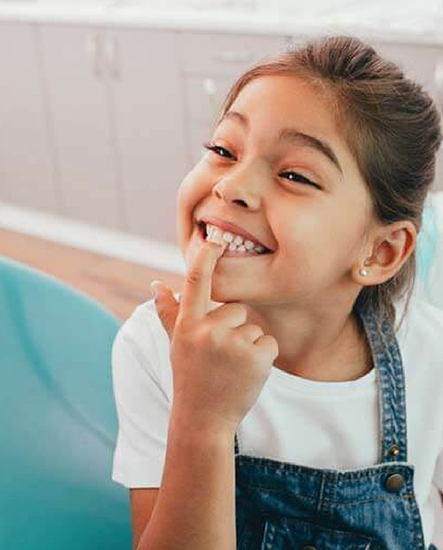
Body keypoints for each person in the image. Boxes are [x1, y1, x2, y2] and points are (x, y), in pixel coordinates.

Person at [111, 34, 443, 549]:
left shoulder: (433, 354)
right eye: (223, 150)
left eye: (293, 175)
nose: (230, 187)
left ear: (379, 253)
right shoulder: (154, 346)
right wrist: (203, 419)